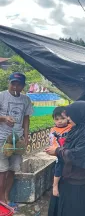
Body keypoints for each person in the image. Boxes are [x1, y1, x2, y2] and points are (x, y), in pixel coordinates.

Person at [45, 101, 85, 216]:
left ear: (80, 114)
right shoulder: (79, 127)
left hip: (78, 179)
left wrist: (57, 151)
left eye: (71, 115)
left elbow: (76, 155)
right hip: (68, 175)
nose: (68, 118)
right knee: (62, 207)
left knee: (73, 208)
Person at [0, 72, 33, 208]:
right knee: (2, 171)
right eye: (12, 83)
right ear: (9, 83)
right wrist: (4, 118)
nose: (15, 86)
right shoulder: (1, 96)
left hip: (17, 140)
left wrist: (26, 136)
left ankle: (6, 196)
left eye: (18, 84)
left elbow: (26, 119)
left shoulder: (26, 100)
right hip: (2, 139)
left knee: (13, 170)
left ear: (23, 86)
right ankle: (1, 200)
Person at [47, 107, 73, 216]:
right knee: (59, 168)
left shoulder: (71, 127)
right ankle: (55, 185)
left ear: (67, 118)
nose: (60, 121)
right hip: (60, 153)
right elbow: (52, 143)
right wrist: (57, 151)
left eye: (62, 118)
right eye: (57, 119)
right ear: (53, 120)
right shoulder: (53, 130)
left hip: (68, 154)